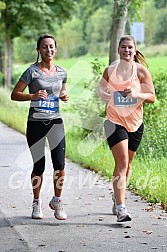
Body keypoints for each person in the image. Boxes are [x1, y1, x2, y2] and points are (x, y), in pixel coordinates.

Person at [11, 34, 69, 220]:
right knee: (39, 166)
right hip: (36, 123)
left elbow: (63, 90)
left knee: (60, 164)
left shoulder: (62, 72)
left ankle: (57, 201)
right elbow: (15, 94)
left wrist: (64, 96)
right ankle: (36, 203)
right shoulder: (31, 71)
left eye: (51, 47)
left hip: (55, 122)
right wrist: (32, 96)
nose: (49, 50)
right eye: (44, 47)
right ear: (38, 50)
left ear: (56, 49)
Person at [98, 35, 155, 222]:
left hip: (136, 123)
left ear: (135, 49)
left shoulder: (141, 72)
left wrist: (136, 93)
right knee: (122, 162)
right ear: (118, 50)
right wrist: (107, 96)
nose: (127, 50)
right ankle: (122, 209)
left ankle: (117, 197)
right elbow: (101, 89)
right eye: (123, 47)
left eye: (130, 47)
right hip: (114, 121)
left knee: (128, 165)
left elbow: (152, 97)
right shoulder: (110, 70)